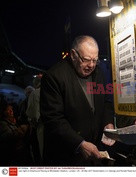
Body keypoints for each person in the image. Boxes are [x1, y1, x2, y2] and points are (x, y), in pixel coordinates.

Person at [40, 35, 114, 166]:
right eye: (86, 60)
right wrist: (79, 144)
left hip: (94, 153)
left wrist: (108, 122)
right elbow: (53, 119)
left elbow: (106, 102)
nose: (91, 65)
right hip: (65, 156)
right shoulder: (54, 76)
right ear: (73, 55)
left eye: (95, 60)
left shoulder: (99, 73)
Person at [26, 74, 43, 164]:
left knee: (39, 156)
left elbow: (32, 115)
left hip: (39, 130)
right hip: (55, 130)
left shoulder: (35, 93)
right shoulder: (54, 92)